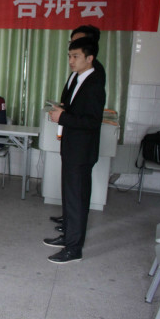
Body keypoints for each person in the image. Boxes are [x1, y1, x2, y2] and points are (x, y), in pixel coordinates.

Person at [43, 37, 105, 264]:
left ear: (90, 58)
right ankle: (68, 237)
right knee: (70, 198)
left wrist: (63, 117)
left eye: (76, 56)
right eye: (69, 56)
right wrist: (63, 109)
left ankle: (73, 249)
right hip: (71, 148)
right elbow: (78, 110)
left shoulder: (94, 83)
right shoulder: (79, 78)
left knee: (77, 200)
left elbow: (92, 121)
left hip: (81, 151)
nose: (71, 60)